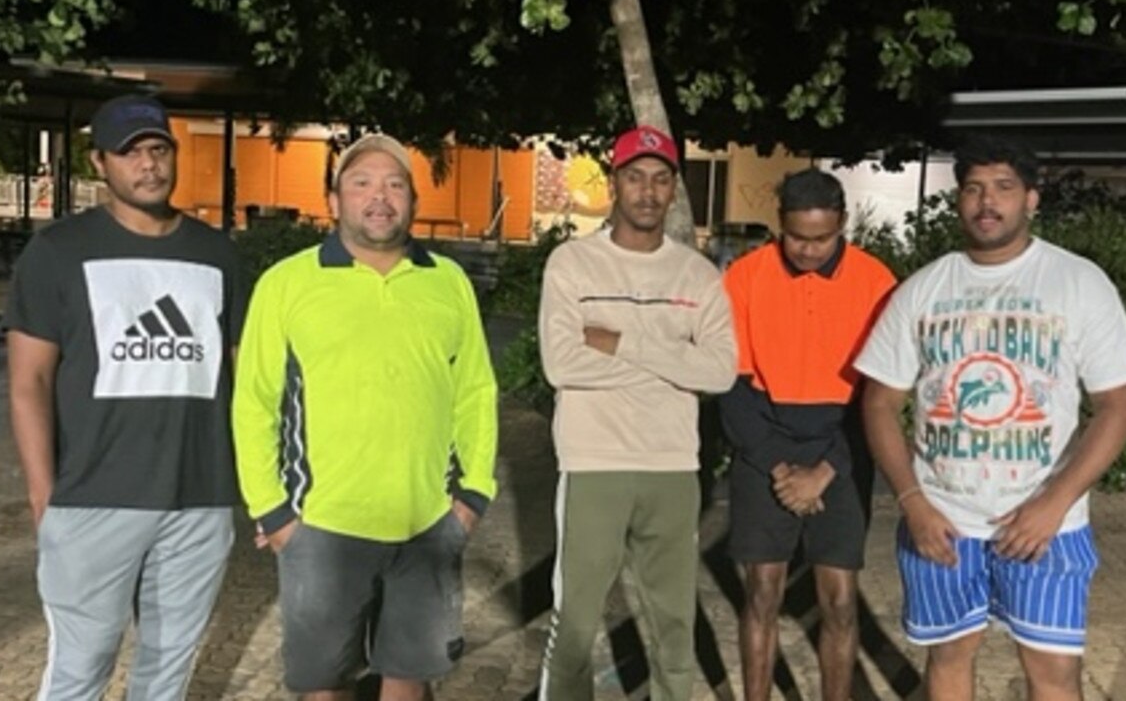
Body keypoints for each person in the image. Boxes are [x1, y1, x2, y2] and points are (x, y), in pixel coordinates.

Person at [854, 136, 1126, 701]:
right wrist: (913, 502)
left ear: (1032, 200)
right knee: (948, 659)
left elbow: (1119, 406)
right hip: (943, 522)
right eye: (973, 189)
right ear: (959, 200)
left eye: (1004, 188)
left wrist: (1054, 502)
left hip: (1045, 526)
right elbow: (879, 402)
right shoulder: (924, 289)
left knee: (1054, 674)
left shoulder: (1078, 282)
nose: (987, 202)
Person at [232, 133, 497, 701]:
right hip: (322, 531)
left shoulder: (447, 282)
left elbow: (476, 391)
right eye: (362, 183)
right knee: (322, 685)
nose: (380, 197)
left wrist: (471, 498)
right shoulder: (287, 283)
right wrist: (274, 513)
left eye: (395, 184)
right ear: (334, 201)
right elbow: (253, 400)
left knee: (408, 679)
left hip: (428, 526)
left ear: (413, 202)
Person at [5, 94, 245, 699]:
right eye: (130, 153)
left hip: (199, 498)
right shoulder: (58, 252)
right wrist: (43, 495)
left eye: (158, 149)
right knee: (79, 671)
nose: (148, 165)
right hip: (93, 498)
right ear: (99, 164)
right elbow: (28, 381)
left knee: (166, 673)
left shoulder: (217, 254)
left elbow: (244, 379)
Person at [536, 125, 737, 701]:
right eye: (635, 177)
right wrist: (676, 365)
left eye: (660, 178)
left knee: (674, 625)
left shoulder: (697, 274)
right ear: (614, 183)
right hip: (592, 462)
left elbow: (720, 372)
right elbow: (562, 365)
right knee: (574, 624)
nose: (647, 191)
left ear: (674, 187)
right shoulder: (572, 263)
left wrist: (620, 343)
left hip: (673, 466)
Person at [720, 168, 896, 701]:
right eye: (797, 237)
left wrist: (824, 471)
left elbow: (880, 397)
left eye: (822, 238)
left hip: (841, 449)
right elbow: (731, 387)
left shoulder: (877, 283)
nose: (809, 250)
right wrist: (780, 468)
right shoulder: (745, 277)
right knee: (761, 591)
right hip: (763, 446)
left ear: (842, 224)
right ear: (780, 225)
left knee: (840, 598)